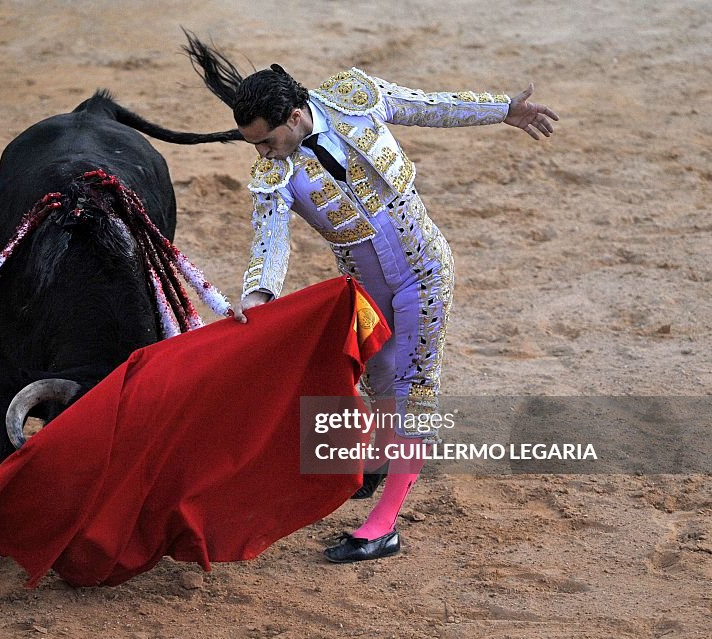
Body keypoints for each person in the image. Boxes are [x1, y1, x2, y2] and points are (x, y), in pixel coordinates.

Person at [183, 34, 558, 563]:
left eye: (265, 141)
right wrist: (257, 297)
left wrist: (504, 110)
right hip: (366, 291)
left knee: (411, 392)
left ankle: (384, 526)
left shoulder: (353, 96)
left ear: (294, 117)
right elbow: (269, 244)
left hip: (425, 270)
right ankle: (381, 460)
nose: (261, 154)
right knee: (379, 377)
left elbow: (429, 106)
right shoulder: (274, 174)